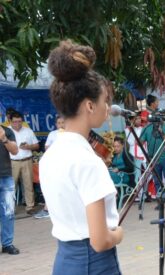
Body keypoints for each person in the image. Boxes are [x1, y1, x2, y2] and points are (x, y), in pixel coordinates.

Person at [39, 40, 123, 273]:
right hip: (95, 264)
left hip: (65, 260)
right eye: (104, 101)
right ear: (89, 105)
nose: (107, 108)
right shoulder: (88, 162)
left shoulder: (49, 156)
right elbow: (100, 241)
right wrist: (118, 233)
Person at [9, 112, 39, 215]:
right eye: (15, 122)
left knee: (28, 184)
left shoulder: (28, 131)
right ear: (10, 121)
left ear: (22, 121)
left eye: (19, 121)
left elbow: (36, 146)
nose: (17, 124)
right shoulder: (6, 132)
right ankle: (10, 208)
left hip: (27, 160)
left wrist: (28, 147)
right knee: (10, 186)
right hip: (12, 162)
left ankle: (30, 206)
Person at [0, 121, 19, 254]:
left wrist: (4, 138)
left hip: (6, 176)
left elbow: (15, 151)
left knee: (8, 212)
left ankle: (7, 244)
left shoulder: (7, 131)